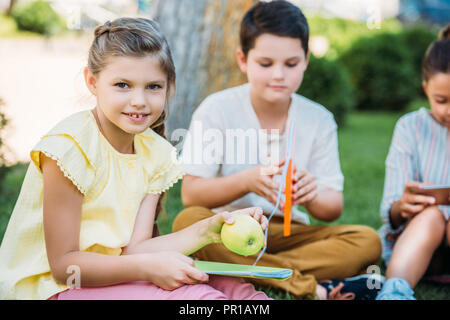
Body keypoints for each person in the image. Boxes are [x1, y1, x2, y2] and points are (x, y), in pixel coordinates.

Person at [0, 17, 271, 300]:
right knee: (197, 296)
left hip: (117, 272)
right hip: (55, 289)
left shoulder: (155, 153)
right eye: (122, 85)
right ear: (92, 82)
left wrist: (209, 230)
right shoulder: (69, 149)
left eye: (153, 87)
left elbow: (136, 250)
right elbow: (63, 268)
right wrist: (146, 269)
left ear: (169, 87)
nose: (139, 100)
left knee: (232, 289)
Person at [173, 0, 383, 300]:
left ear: (306, 60)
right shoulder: (216, 110)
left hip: (288, 233)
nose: (279, 75)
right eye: (265, 64)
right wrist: (246, 181)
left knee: (367, 241)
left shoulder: (319, 119)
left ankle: (249, 271)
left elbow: (332, 207)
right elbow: (191, 195)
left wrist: (311, 195)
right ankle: (308, 285)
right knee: (187, 221)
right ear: (243, 60)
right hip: (229, 230)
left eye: (291, 64)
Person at [376, 25, 450, 300]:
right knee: (432, 215)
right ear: (425, 88)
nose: (449, 110)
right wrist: (402, 205)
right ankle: (395, 291)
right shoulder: (411, 127)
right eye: (441, 100)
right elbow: (391, 212)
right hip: (416, 243)